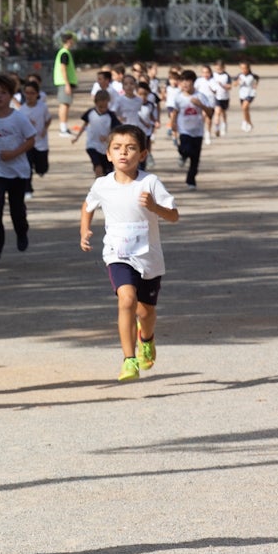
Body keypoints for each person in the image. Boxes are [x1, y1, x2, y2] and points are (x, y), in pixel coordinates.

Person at [79, 124, 180, 382]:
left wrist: (155, 206)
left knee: (145, 312)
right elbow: (88, 206)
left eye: (131, 148)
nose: (124, 153)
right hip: (117, 254)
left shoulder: (150, 182)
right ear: (108, 154)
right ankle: (129, 359)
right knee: (126, 300)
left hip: (149, 257)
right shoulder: (102, 184)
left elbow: (174, 216)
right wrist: (85, 231)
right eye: (117, 148)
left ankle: (146, 338)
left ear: (143, 154)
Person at [0, 74, 37, 263]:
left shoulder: (19, 118)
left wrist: (14, 153)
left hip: (17, 172)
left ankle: (21, 231)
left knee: (16, 210)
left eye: (3, 93)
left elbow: (31, 140)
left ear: (11, 95)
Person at [168, 69, 213, 190]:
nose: (184, 84)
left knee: (195, 158)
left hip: (198, 131)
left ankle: (191, 180)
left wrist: (201, 105)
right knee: (186, 149)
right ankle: (182, 155)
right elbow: (175, 111)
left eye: (187, 81)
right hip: (184, 130)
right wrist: (172, 123)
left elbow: (210, 113)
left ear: (193, 82)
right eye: (182, 81)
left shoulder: (200, 96)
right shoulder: (178, 97)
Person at [73, 89, 120, 178]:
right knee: (98, 167)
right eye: (100, 106)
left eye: (105, 106)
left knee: (108, 172)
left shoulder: (111, 116)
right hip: (92, 144)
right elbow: (85, 124)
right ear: (96, 103)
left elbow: (116, 131)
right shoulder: (90, 113)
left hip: (106, 147)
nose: (103, 109)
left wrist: (108, 138)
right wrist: (77, 137)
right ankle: (98, 183)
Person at [19, 81, 50, 201]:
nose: (29, 96)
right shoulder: (21, 110)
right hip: (27, 143)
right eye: (27, 93)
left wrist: (44, 129)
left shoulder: (42, 107)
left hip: (41, 142)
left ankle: (41, 170)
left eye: (32, 93)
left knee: (42, 167)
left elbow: (48, 119)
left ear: (37, 94)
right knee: (27, 166)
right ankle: (27, 189)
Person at [52, 32, 77, 135]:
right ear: (68, 41)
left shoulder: (64, 52)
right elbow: (63, 68)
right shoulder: (64, 53)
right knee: (64, 105)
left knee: (65, 104)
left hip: (64, 82)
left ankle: (64, 128)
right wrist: (67, 84)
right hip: (64, 82)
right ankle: (63, 129)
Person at [233, 61, 259, 132]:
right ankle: (249, 122)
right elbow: (234, 84)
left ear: (248, 68)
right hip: (242, 95)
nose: (243, 70)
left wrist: (255, 85)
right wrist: (237, 82)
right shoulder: (239, 76)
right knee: (245, 110)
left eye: (245, 68)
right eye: (242, 68)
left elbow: (256, 80)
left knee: (244, 107)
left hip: (250, 94)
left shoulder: (252, 76)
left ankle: (245, 122)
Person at [210, 60, 232, 137]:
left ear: (224, 68)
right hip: (216, 97)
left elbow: (229, 87)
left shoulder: (226, 76)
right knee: (217, 112)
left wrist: (223, 85)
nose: (218, 70)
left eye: (220, 68)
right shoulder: (212, 75)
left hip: (225, 97)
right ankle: (217, 128)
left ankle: (224, 124)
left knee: (223, 113)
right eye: (217, 68)